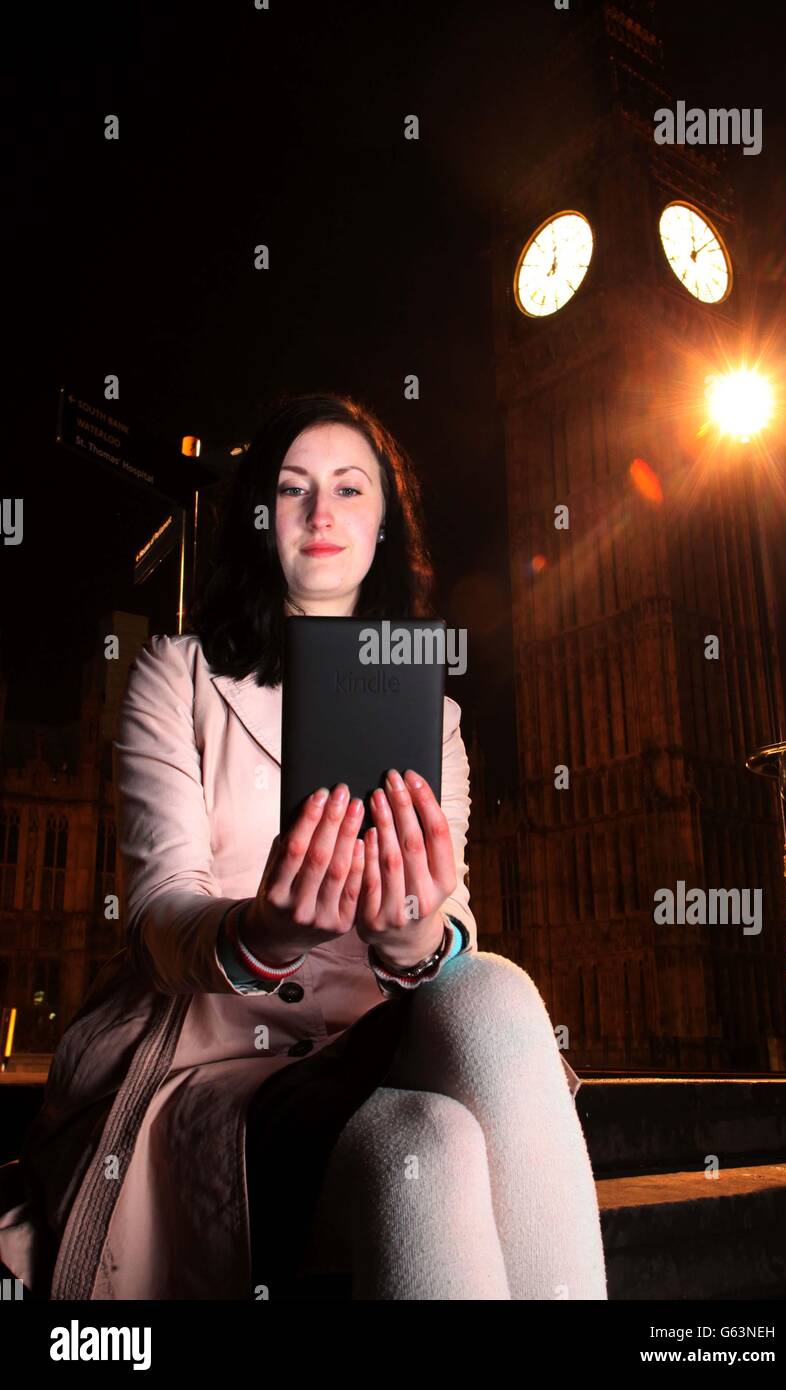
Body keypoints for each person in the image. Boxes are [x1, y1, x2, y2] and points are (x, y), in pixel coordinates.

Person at [0, 390, 607, 1301]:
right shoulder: (179, 673)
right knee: (425, 1149)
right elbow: (158, 911)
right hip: (211, 1053)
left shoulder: (430, 717)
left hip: (372, 1041)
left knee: (495, 989)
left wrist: (414, 938)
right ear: (260, 519)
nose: (322, 512)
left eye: (350, 489)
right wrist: (261, 932)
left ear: (384, 528)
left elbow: (454, 929)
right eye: (293, 489)